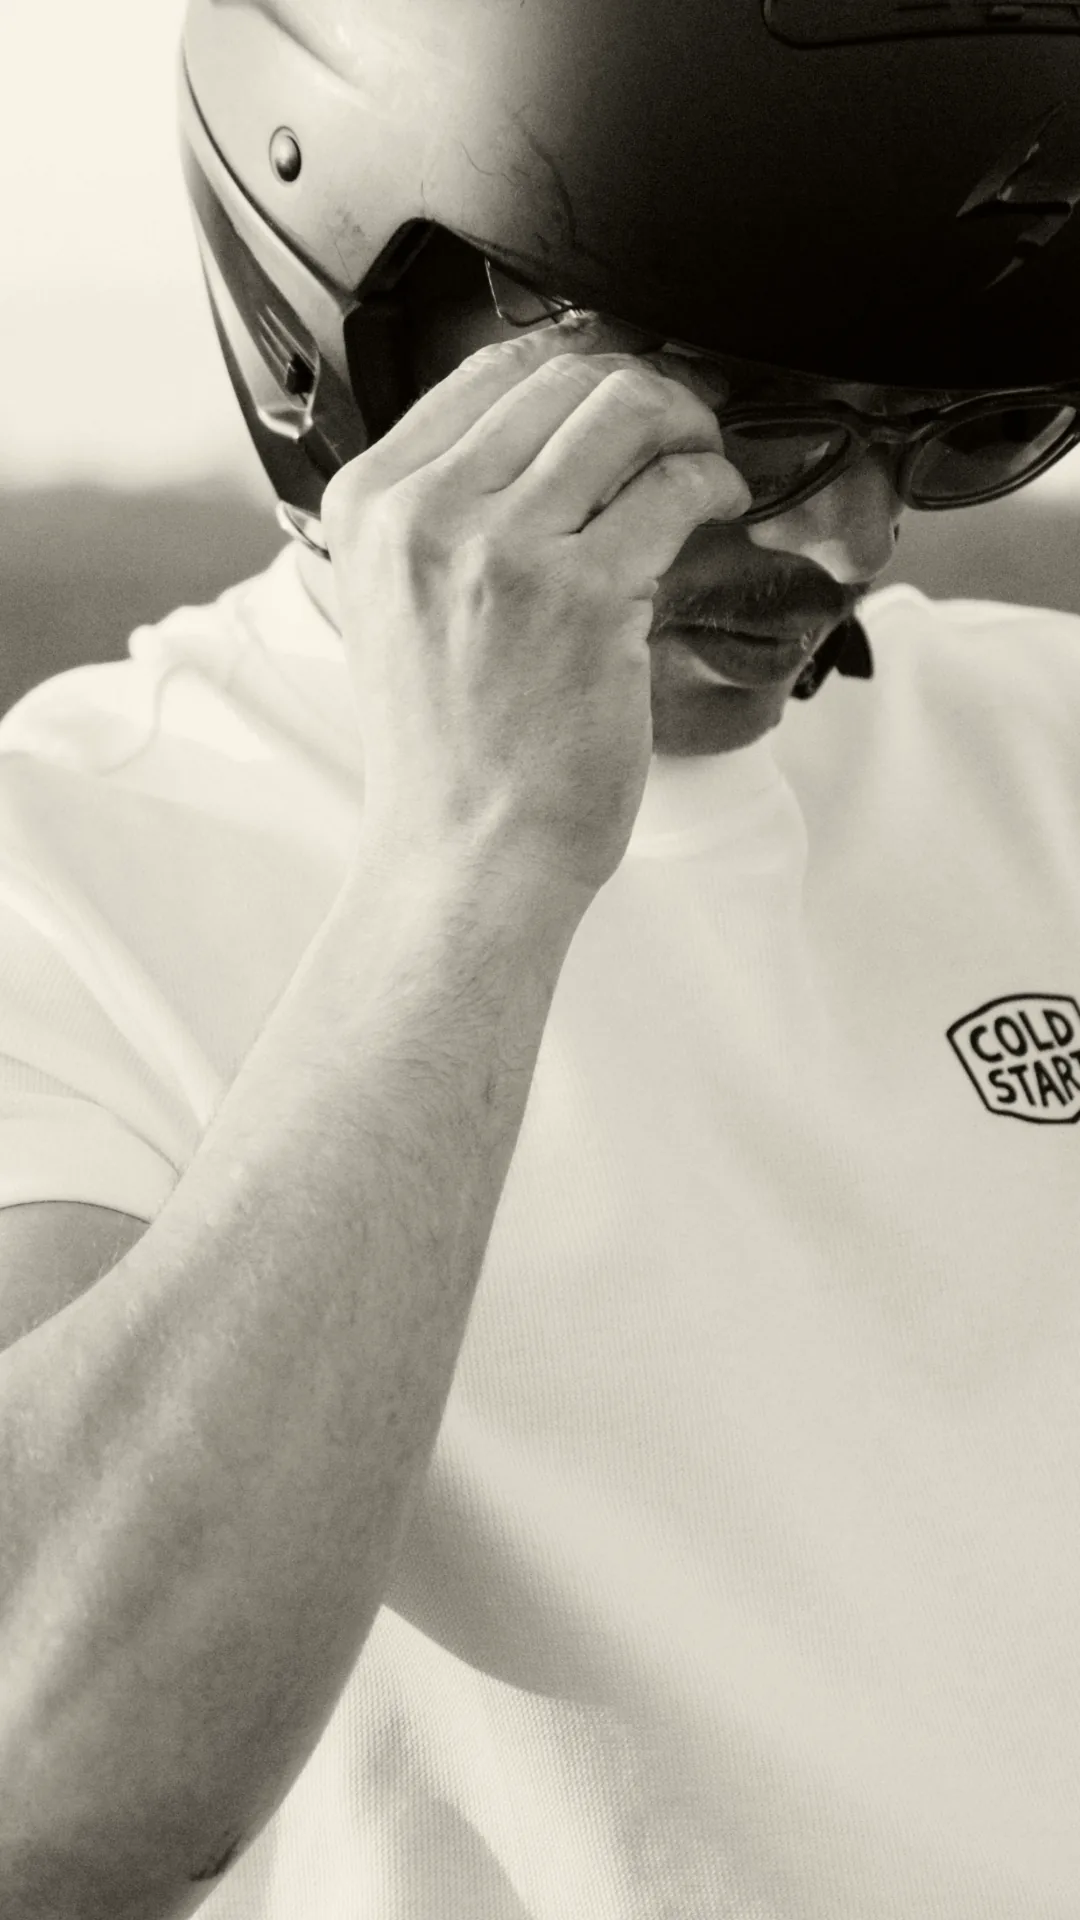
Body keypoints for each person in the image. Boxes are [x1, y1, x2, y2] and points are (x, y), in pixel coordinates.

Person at [2, 2, 1080, 1916]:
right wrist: (472, 867)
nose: (858, 539)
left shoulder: (1054, 756)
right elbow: (54, 1785)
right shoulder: (67, 871)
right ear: (367, 328)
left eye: (972, 425)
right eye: (749, 419)